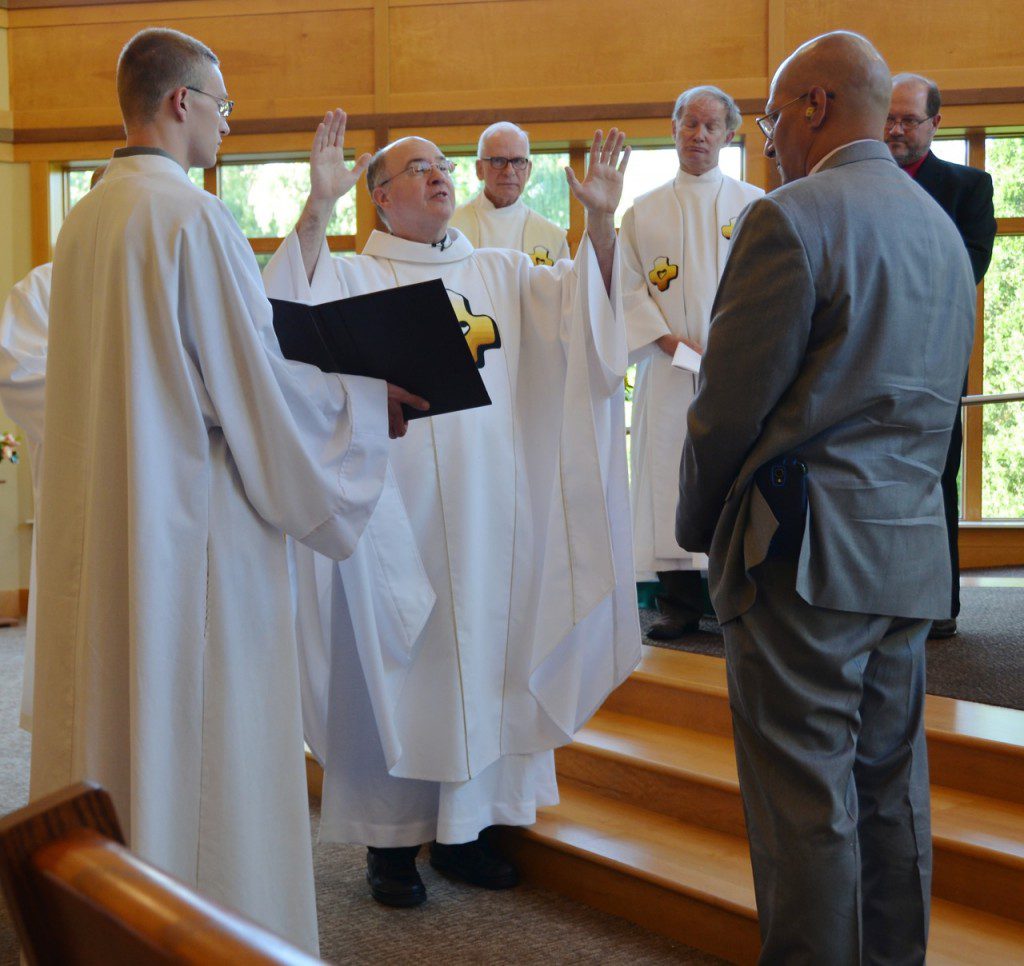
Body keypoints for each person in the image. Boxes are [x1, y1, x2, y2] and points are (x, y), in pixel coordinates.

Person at [28, 29, 417, 955]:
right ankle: (214, 931)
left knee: (120, 716)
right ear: (180, 103)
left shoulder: (86, 219)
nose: (227, 124)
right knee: (204, 739)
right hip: (196, 536)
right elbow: (255, 388)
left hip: (118, 521)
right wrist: (367, 406)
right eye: (223, 105)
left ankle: (116, 913)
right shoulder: (193, 220)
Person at [264, 113, 641, 908]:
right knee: (394, 666)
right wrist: (317, 207)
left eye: (442, 163)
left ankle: (469, 833)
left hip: (490, 517)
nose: (438, 174)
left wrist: (603, 225)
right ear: (380, 197)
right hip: (389, 518)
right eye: (417, 168)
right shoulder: (352, 274)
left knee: (489, 657)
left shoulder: (502, 270)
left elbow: (591, 320)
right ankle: (391, 844)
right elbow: (282, 329)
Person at [677, 31, 976, 964]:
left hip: (802, 559)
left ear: (815, 105)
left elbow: (727, 408)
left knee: (805, 805)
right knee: (890, 794)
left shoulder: (791, 217)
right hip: (908, 552)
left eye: (771, 118)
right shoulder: (941, 229)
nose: (767, 141)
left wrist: (696, 527)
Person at [619, 85, 763, 639]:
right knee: (667, 476)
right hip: (667, 369)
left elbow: (769, 286)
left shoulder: (754, 205)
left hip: (736, 370)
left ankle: (730, 600)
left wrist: (729, 350)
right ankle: (677, 602)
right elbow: (628, 289)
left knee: (729, 477)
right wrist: (671, 344)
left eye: (711, 126)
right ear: (674, 128)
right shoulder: (643, 210)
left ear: (729, 135)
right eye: (689, 123)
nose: (699, 135)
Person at [886, 72, 996, 639]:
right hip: (859, 365)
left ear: (935, 123)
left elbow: (968, 268)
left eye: (909, 119)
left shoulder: (967, 187)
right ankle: (876, 601)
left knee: (934, 482)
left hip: (931, 361)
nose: (896, 129)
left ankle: (940, 605)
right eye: (888, 118)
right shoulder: (852, 183)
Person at [0, 165, 104, 734]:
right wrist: (121, 405)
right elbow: (17, 372)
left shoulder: (170, 278)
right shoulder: (44, 288)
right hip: (80, 488)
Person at [451, 121, 570, 264]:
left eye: (518, 161)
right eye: (498, 161)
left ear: (529, 170)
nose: (509, 171)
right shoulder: (448, 228)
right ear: (479, 169)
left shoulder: (553, 238)